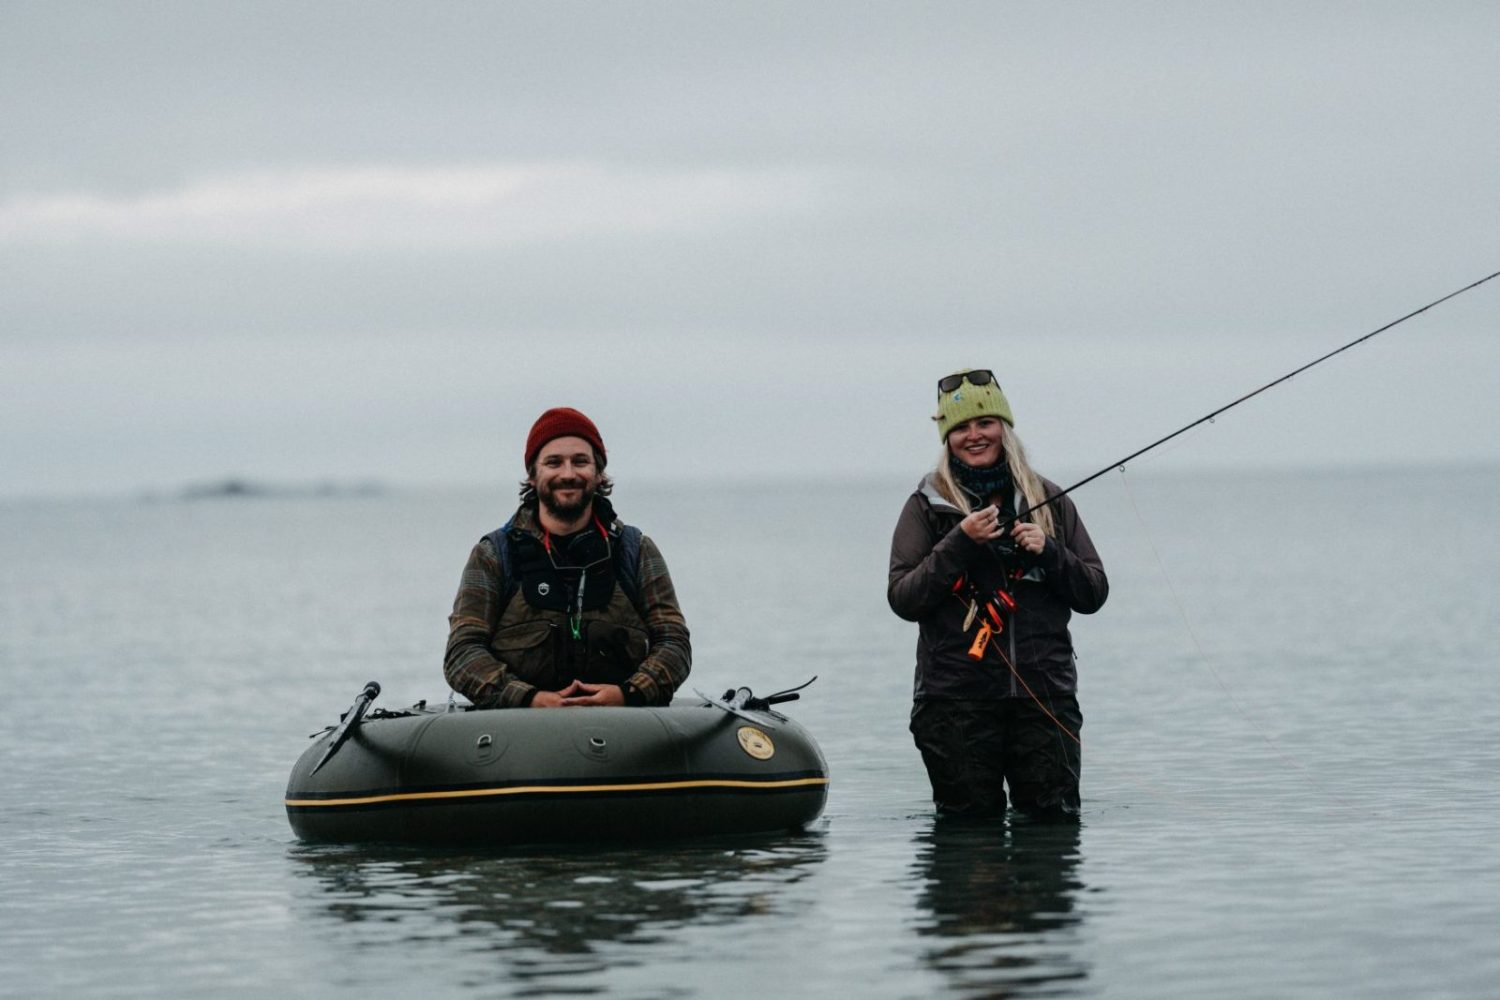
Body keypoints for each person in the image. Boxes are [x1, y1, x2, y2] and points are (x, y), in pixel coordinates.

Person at [887, 369, 1107, 820]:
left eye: (985, 422)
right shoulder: (926, 507)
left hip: (1044, 698)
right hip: (954, 704)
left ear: (1004, 428)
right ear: (947, 438)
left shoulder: (1051, 499)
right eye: (961, 427)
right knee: (967, 834)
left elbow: (1093, 592)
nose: (974, 435)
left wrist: (1049, 551)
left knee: (1052, 828)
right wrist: (960, 542)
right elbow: (903, 598)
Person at [444, 407, 691, 708]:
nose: (568, 474)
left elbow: (674, 642)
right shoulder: (494, 555)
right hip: (517, 728)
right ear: (532, 475)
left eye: (580, 461)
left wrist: (628, 694)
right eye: (554, 462)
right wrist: (529, 699)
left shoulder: (635, 550)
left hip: (624, 724)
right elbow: (462, 653)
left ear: (599, 473)